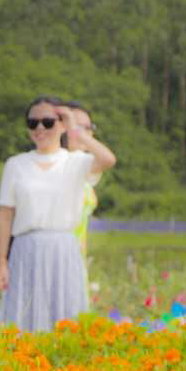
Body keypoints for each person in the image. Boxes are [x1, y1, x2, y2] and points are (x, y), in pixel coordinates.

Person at [0, 96, 117, 332]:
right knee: (23, 317)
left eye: (48, 122)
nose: (40, 128)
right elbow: (5, 215)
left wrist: (76, 131)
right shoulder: (16, 164)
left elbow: (108, 159)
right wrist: (2, 262)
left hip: (63, 248)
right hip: (25, 247)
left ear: (60, 125)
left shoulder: (75, 161)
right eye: (33, 123)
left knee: (64, 315)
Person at [64, 101, 102, 305]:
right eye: (78, 126)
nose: (84, 133)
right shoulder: (53, 163)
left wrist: (81, 135)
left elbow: (107, 159)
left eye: (89, 128)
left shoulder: (82, 163)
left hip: (77, 254)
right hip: (54, 252)